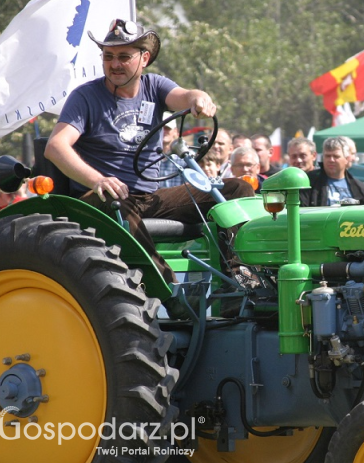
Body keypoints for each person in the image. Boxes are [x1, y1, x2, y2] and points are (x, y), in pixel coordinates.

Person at [44, 18, 254, 283]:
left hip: (149, 198)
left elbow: (186, 95)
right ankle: (169, 290)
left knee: (237, 189)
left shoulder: (154, 86)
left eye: (123, 56)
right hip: (101, 200)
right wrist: (99, 180)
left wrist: (200, 99)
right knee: (116, 201)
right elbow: (56, 146)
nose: (115, 64)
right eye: (108, 56)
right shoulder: (85, 97)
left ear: (144, 58)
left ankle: (240, 280)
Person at [300, 136, 364, 207]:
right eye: (327, 156)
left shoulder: (360, 189)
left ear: (346, 159)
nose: (331, 160)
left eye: (336, 156)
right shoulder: (309, 182)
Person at [157, 112, 184, 189]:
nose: (164, 131)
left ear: (175, 132)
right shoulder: (148, 158)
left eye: (167, 128)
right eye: (161, 127)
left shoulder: (184, 158)